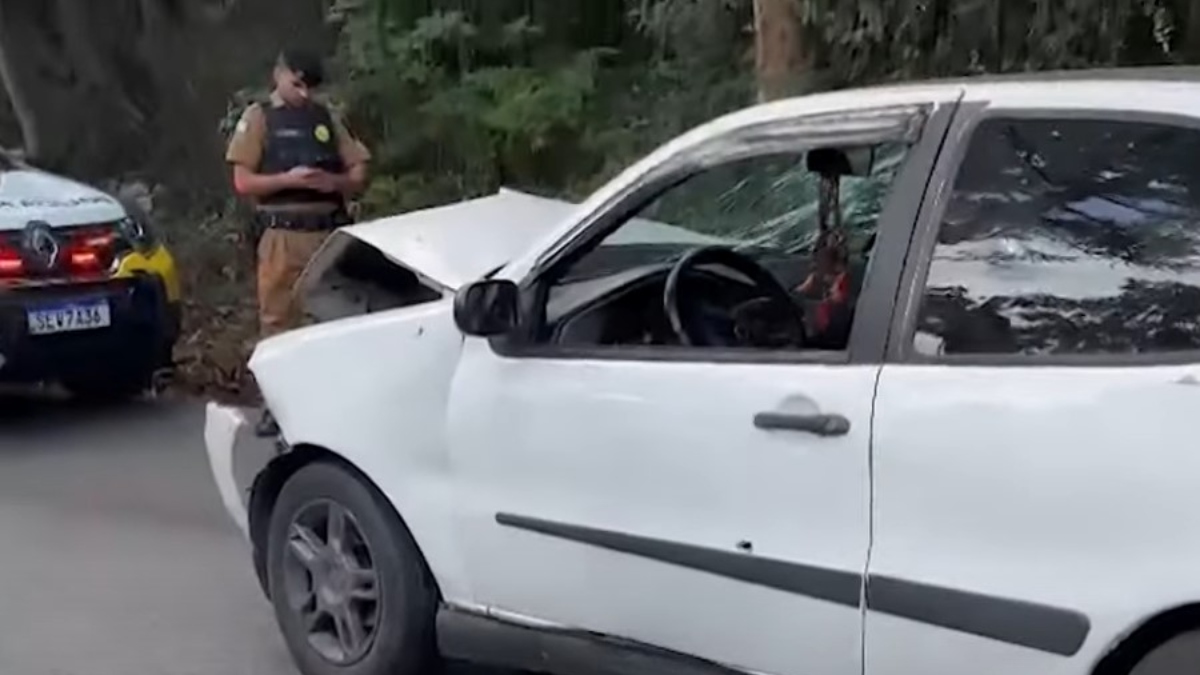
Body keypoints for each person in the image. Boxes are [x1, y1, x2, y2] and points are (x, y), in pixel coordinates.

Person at [225, 48, 371, 435]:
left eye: (310, 87)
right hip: (282, 234)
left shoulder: (327, 118)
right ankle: (278, 406)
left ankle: (334, 404)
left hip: (329, 234)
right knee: (278, 322)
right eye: (297, 84)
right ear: (279, 73)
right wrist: (289, 180)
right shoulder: (259, 119)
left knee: (336, 320)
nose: (304, 94)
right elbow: (243, 181)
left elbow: (358, 170)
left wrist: (334, 183)